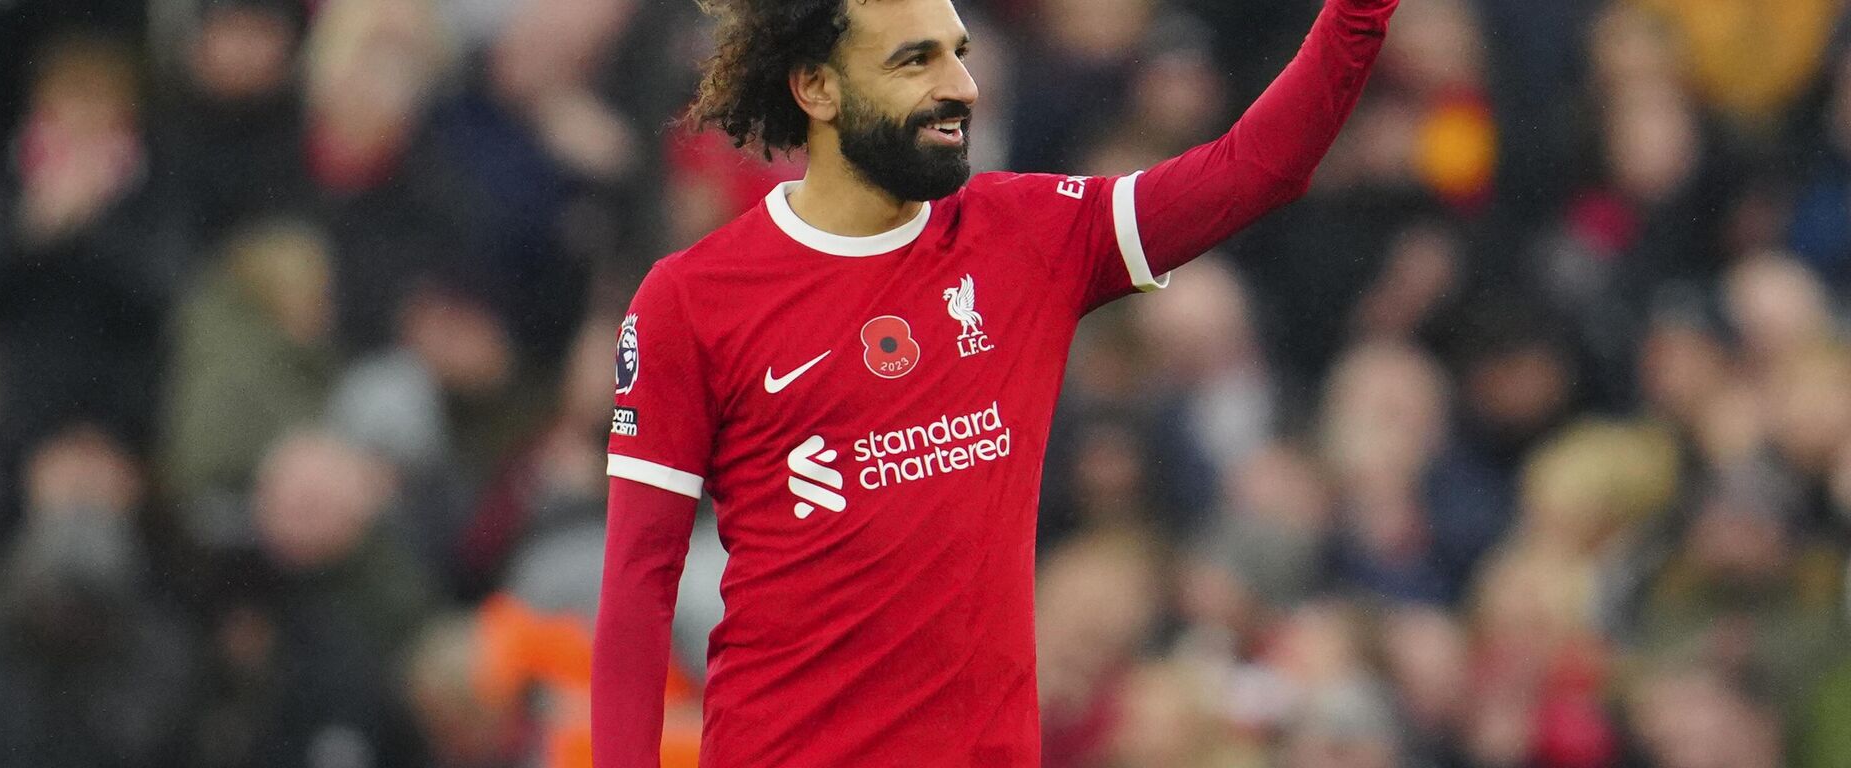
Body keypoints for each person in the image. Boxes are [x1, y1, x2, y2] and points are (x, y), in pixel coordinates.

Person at [592, 0, 1403, 764]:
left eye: (960, 55)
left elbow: (1260, 166)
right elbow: (638, 583)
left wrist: (1360, 12)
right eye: (916, 60)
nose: (961, 86)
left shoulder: (1030, 237)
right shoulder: (691, 299)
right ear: (817, 88)